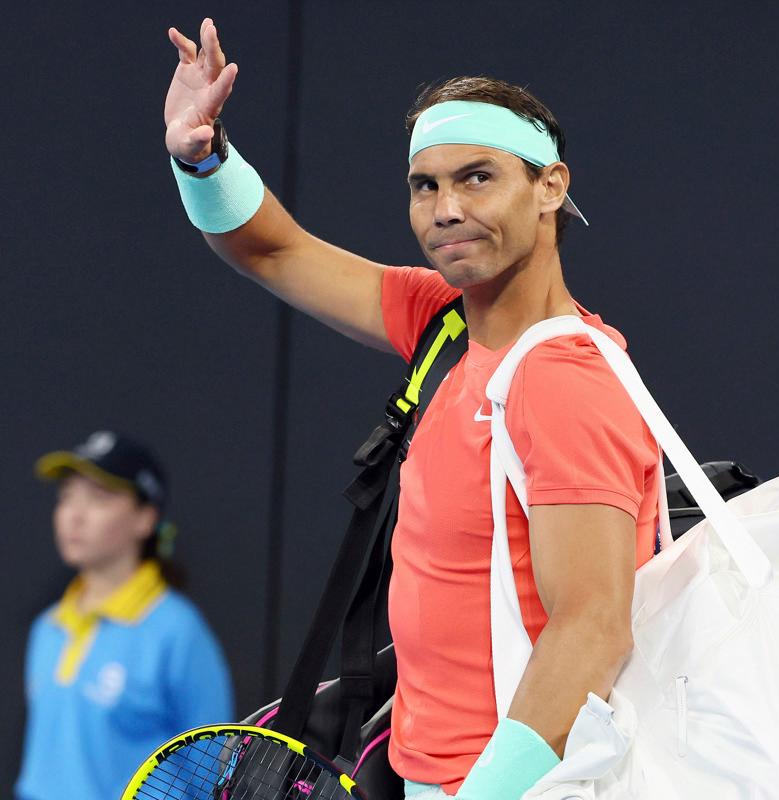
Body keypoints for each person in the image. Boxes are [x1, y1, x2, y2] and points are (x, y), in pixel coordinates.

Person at [164, 19, 662, 800]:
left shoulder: (564, 379)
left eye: (477, 178)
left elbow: (592, 630)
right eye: (425, 185)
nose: (445, 209)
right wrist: (201, 155)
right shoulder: (447, 322)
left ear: (550, 187)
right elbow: (277, 250)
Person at [15, 430, 233, 800]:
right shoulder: (47, 628)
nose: (75, 515)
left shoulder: (179, 633)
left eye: (98, 498)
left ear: (145, 519)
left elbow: (213, 775)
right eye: (66, 497)